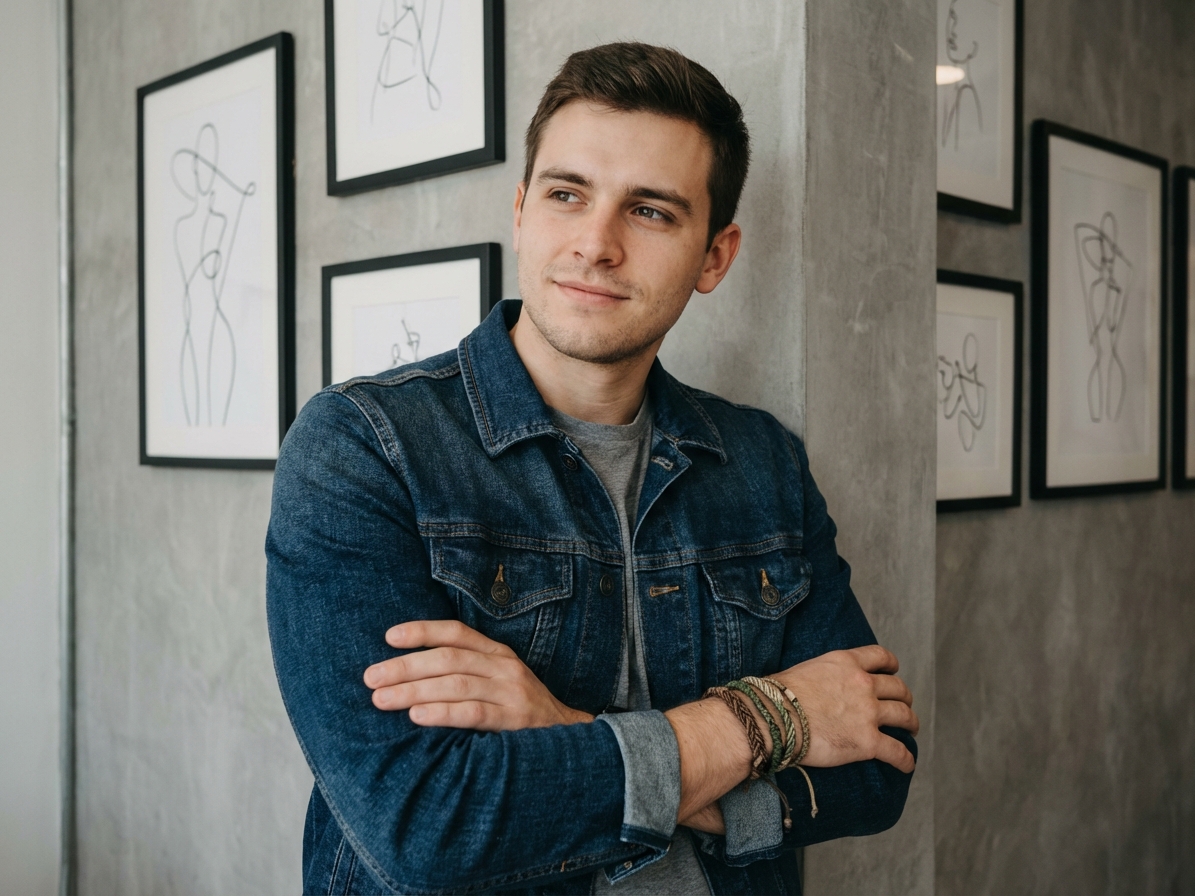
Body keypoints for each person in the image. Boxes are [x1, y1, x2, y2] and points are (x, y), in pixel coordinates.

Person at [267, 41, 919, 896]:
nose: (596, 244)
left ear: (715, 256)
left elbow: (875, 771)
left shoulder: (763, 464)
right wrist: (765, 721)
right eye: (567, 194)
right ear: (521, 211)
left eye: (649, 211)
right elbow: (425, 825)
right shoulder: (364, 447)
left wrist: (563, 726)